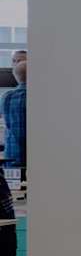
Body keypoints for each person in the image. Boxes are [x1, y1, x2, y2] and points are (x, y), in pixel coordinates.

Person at [4, 51, 27, 182]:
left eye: (20, 61)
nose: (16, 64)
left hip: (12, 156)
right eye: (14, 61)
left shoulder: (6, 97)